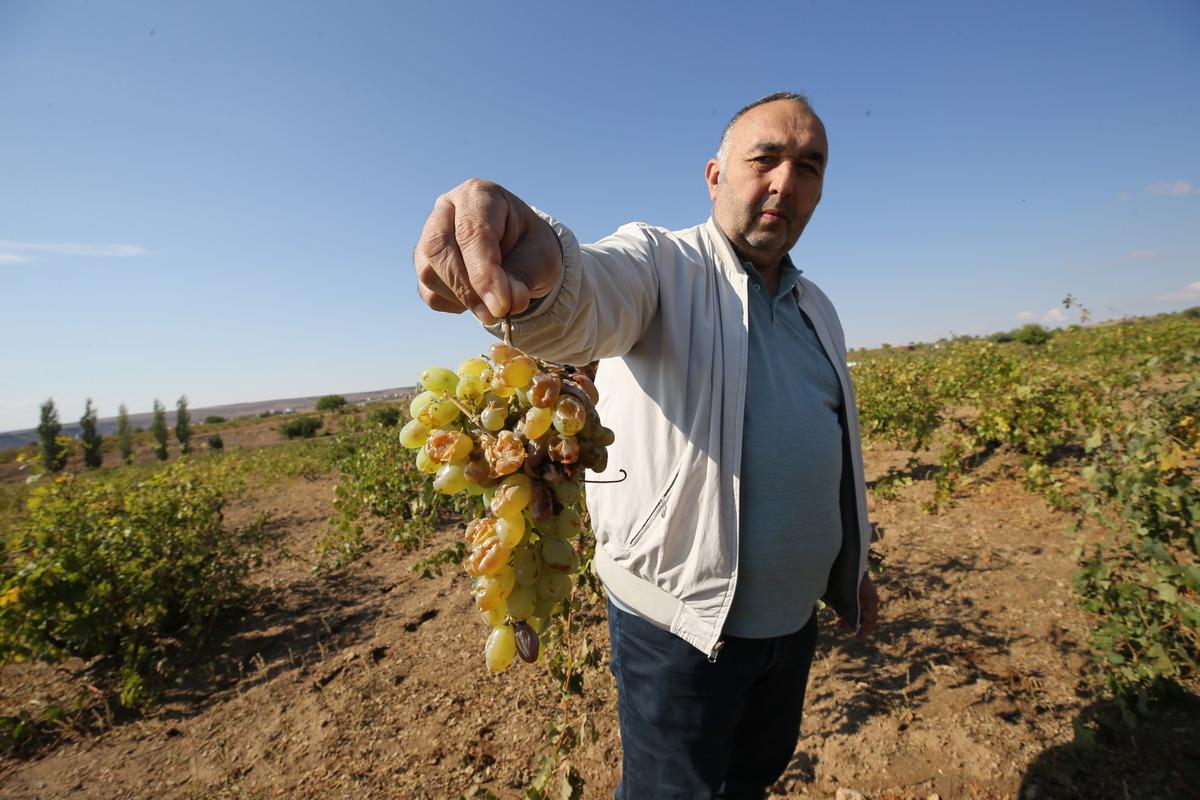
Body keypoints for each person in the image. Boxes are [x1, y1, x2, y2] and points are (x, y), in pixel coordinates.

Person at [413, 91, 879, 799]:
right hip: (679, 634)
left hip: (794, 626)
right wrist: (541, 276)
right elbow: (585, 294)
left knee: (753, 777)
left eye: (809, 166)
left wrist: (853, 567)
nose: (786, 181)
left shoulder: (820, 309)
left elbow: (833, 447)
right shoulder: (662, 266)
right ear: (716, 175)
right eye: (765, 159)